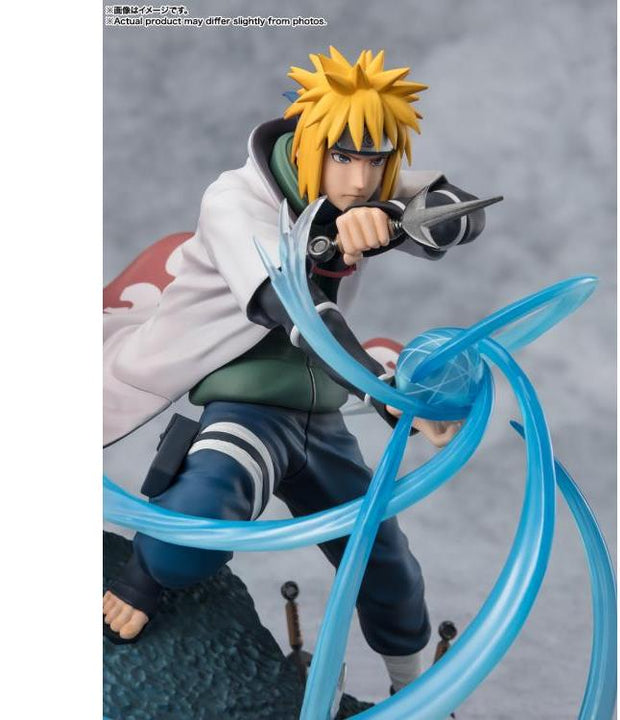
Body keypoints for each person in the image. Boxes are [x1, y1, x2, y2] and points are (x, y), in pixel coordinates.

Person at [103, 46, 490, 695]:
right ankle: (139, 582)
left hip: (324, 419)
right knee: (193, 525)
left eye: (375, 162)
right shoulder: (235, 201)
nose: (361, 179)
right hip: (249, 404)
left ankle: (412, 691)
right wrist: (386, 391)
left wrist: (394, 219)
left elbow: (463, 212)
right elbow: (298, 310)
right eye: (345, 158)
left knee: (386, 566)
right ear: (310, 143)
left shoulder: (369, 185)